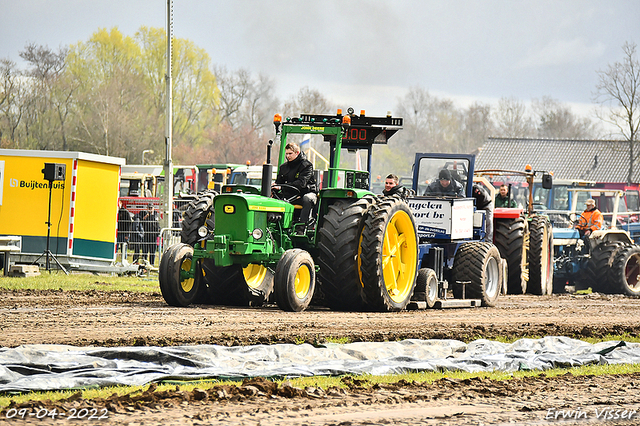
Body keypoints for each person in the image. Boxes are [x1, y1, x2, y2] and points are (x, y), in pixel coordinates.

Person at [273, 142, 318, 234]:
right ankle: (276, 226)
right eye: (286, 154)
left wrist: (284, 186)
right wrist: (275, 186)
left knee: (307, 199)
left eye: (290, 153)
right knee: (273, 197)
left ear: (297, 153)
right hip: (290, 194)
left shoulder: (306, 166)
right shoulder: (284, 167)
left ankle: (301, 228)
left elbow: (301, 183)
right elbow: (279, 182)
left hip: (305, 193)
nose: (288, 156)